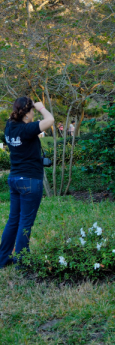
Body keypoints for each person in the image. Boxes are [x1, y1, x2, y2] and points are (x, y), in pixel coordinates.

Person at [0, 97, 55, 268]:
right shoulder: (27, 129)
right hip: (30, 180)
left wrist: (28, 108)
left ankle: (3, 259)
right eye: (31, 110)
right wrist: (41, 107)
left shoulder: (9, 127)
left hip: (15, 179)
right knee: (25, 222)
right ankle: (22, 261)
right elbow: (50, 120)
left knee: (13, 220)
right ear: (27, 113)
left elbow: (16, 118)